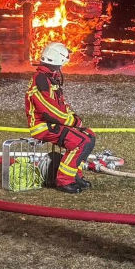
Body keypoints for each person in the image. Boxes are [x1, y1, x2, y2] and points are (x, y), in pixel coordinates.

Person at [25, 41, 96, 193]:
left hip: (52, 123)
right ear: (57, 61)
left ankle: (75, 176)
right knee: (80, 141)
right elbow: (48, 110)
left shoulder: (50, 78)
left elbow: (61, 105)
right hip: (43, 126)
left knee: (89, 135)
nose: (63, 67)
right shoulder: (41, 79)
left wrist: (74, 117)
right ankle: (64, 181)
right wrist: (71, 121)